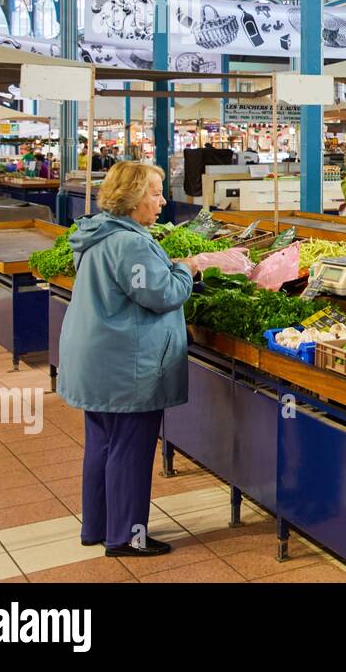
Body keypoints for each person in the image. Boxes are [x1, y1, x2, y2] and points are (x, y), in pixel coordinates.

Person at [58, 162, 248, 557]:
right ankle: (127, 537)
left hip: (96, 360)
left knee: (103, 446)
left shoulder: (94, 233)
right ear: (132, 199)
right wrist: (190, 267)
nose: (163, 201)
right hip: (124, 366)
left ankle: (98, 527)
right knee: (130, 451)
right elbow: (161, 295)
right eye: (155, 193)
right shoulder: (131, 244)